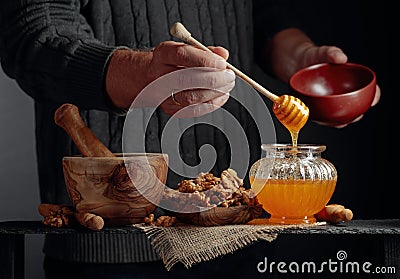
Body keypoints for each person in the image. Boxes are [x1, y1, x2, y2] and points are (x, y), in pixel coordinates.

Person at [0, 0, 381, 278]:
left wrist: (299, 57)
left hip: (240, 231)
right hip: (113, 243)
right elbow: (33, 33)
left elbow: (266, 14)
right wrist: (141, 75)